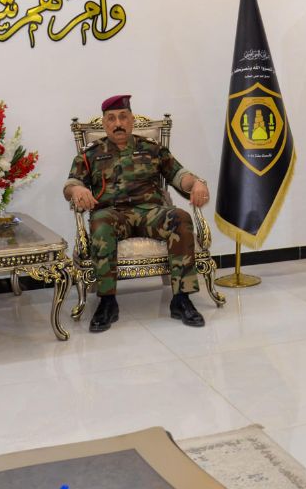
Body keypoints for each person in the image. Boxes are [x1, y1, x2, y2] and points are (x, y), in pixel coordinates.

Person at [64, 94, 211, 332]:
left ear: (132, 120)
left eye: (123, 117)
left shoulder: (153, 149)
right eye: (111, 118)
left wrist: (197, 183)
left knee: (180, 218)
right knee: (100, 224)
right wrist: (77, 189)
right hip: (112, 214)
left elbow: (179, 175)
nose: (118, 123)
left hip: (150, 212)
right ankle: (107, 303)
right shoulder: (90, 155)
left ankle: (181, 300)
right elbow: (70, 185)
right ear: (104, 123)